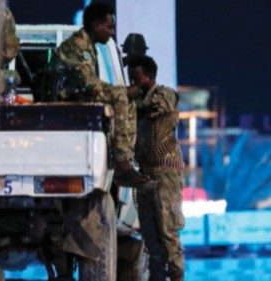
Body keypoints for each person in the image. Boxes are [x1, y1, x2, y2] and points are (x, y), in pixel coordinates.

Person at [55, 3, 150, 188]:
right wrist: (124, 91)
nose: (112, 31)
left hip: (74, 98)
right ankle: (122, 164)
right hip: (64, 99)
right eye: (109, 26)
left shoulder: (87, 45)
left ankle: (124, 158)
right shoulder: (78, 47)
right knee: (122, 97)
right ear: (96, 25)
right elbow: (91, 85)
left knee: (125, 98)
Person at [128, 55, 185, 281]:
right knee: (150, 237)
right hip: (146, 174)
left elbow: (158, 106)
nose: (133, 82)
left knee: (168, 232)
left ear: (149, 77)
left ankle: (177, 276)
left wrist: (130, 99)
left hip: (165, 172)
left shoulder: (164, 94)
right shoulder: (136, 101)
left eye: (137, 77)